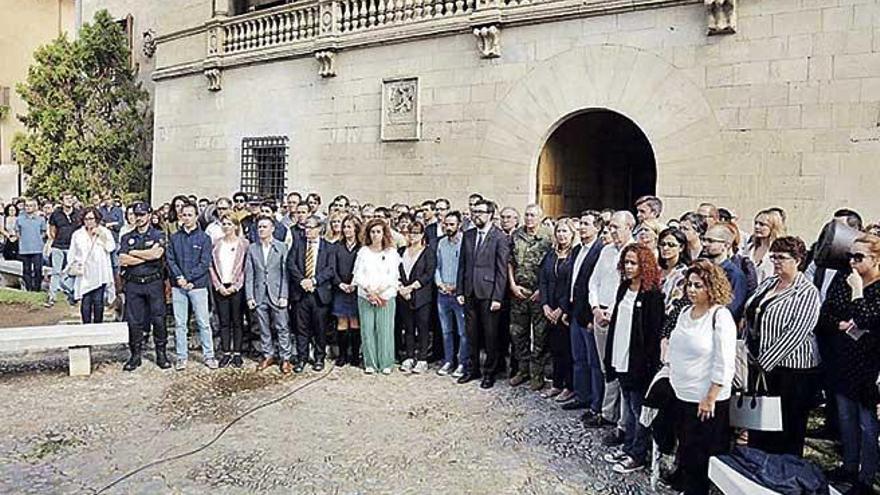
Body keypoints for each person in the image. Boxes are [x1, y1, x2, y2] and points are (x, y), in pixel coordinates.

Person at [743, 236, 821, 457]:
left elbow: (797, 332)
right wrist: (748, 350)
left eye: (782, 258)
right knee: (760, 419)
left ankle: (784, 469)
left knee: (787, 423)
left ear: (797, 260)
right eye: (774, 257)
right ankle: (758, 460)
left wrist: (765, 363)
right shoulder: (769, 282)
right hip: (758, 364)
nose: (776, 261)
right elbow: (752, 313)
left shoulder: (807, 292)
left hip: (791, 370)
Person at [665, 259, 737, 495]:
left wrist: (711, 396)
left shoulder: (720, 316)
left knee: (701, 456)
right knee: (685, 450)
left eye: (699, 286)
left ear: (712, 287)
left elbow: (724, 361)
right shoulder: (685, 312)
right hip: (682, 392)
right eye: (690, 285)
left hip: (706, 399)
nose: (692, 290)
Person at [819, 234, 880, 494]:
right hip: (844, 360)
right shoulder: (844, 280)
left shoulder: (869, 286)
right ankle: (849, 465)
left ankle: (866, 478)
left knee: (868, 425)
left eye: (859, 257)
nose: (852, 262)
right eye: (850, 256)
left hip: (870, 365)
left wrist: (857, 290)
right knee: (846, 419)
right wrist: (840, 324)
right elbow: (827, 314)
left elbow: (868, 319)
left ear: (876, 259)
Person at [602, 244, 664, 473]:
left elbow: (652, 334)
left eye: (633, 263)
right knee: (627, 406)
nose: (628, 267)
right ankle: (628, 446)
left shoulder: (652, 295)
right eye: (626, 262)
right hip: (620, 355)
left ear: (644, 265)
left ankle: (638, 454)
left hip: (638, 363)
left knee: (639, 410)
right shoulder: (624, 288)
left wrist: (648, 366)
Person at [584, 211, 636, 448]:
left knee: (620, 369)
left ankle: (623, 424)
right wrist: (595, 307)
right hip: (600, 313)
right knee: (606, 368)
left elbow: (630, 287)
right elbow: (593, 282)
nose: (612, 231)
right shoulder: (606, 251)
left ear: (629, 227)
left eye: (616, 227)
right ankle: (607, 413)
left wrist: (612, 312)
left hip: (621, 317)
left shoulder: (636, 254)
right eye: (610, 227)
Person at [456, 199, 510, 389]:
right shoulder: (468, 235)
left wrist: (498, 297)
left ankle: (490, 372)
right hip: (470, 291)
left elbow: (502, 270)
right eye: (474, 211)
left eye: (480, 212)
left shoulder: (499, 237)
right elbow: (462, 265)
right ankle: (472, 370)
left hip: (489, 293)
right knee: (471, 334)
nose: (476, 215)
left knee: (490, 336)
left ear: (490, 214)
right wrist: (460, 290)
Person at [119, 202, 170, 371]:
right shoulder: (127, 237)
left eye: (142, 215)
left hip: (153, 282)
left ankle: (161, 353)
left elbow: (157, 254)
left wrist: (134, 252)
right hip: (134, 283)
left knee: (158, 318)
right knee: (134, 321)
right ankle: (135, 355)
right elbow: (123, 260)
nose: (139, 218)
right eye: (136, 215)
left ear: (149, 215)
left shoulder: (158, 234)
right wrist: (146, 256)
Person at [508, 204, 554, 391]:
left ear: (541, 218)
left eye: (533, 215)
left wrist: (542, 292)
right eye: (526, 215)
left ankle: (537, 374)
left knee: (540, 336)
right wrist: (512, 285)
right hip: (518, 292)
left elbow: (551, 267)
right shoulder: (516, 235)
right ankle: (523, 370)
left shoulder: (549, 237)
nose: (529, 218)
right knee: (518, 334)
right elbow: (510, 262)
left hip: (538, 294)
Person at [166, 202, 217, 370]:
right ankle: (182, 356)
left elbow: (204, 263)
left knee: (203, 322)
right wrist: (179, 277)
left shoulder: (204, 238)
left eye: (190, 215)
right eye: (184, 215)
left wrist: (189, 279)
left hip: (198, 286)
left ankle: (209, 355)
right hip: (178, 286)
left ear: (196, 216)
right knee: (180, 324)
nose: (186, 218)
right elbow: (170, 260)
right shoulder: (174, 238)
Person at [567, 210, 605, 413]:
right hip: (575, 312)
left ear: (597, 227)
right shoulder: (576, 250)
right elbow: (573, 282)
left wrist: (592, 317)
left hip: (589, 316)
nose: (581, 227)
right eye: (580, 223)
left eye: (586, 224)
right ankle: (581, 395)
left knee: (594, 363)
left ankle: (595, 404)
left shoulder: (601, 251)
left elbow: (597, 286)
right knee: (579, 358)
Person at [352, 218, 400, 375]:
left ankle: (386, 362)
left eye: (378, 231)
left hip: (385, 295)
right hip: (366, 295)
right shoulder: (363, 252)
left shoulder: (391, 253)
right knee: (367, 330)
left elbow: (393, 275)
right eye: (372, 232)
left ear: (384, 233)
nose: (375, 235)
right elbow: (357, 274)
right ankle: (370, 362)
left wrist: (379, 292)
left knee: (385, 330)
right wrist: (369, 291)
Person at [288, 215, 336, 373]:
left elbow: (330, 269)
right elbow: (291, 264)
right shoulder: (298, 244)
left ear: (319, 229)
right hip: (300, 293)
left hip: (319, 293)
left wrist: (314, 281)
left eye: (311, 227)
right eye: (305, 227)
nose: (307, 230)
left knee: (320, 328)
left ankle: (319, 358)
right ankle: (302, 358)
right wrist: (302, 281)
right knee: (301, 328)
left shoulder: (328, 247)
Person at [245, 215, 292, 373]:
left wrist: (284, 295)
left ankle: (285, 358)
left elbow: (285, 273)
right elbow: (249, 274)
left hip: (277, 293)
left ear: (272, 229)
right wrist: (250, 296)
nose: (261, 230)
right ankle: (268, 355)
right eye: (259, 227)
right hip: (259, 294)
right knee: (263, 327)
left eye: (265, 227)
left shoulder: (281, 247)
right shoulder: (252, 248)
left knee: (282, 327)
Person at [538, 218, 577, 402]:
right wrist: (545, 304)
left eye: (565, 232)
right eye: (559, 231)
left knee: (567, 350)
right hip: (549, 307)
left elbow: (571, 284)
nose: (561, 235)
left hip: (564, 311)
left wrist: (561, 309)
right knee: (554, 349)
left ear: (572, 234)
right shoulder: (550, 254)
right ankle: (556, 384)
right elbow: (543, 280)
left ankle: (569, 386)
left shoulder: (574, 255)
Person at [209, 213, 249, 368]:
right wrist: (218, 285)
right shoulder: (216, 244)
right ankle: (226, 352)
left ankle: (237, 353)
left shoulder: (244, 244)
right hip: (220, 286)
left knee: (237, 321)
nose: (226, 227)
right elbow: (210, 266)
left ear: (236, 226)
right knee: (224, 321)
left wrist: (236, 286)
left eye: (229, 224)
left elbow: (246, 267)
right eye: (223, 224)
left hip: (236, 287)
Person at [397, 220, 437, 374]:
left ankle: (422, 358)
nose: (412, 236)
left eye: (416, 233)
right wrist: (401, 288)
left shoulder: (428, 252)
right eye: (409, 233)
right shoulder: (401, 251)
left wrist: (411, 287)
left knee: (423, 327)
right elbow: (395, 271)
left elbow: (428, 273)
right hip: (403, 295)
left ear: (422, 235)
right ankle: (408, 356)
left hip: (421, 296)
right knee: (407, 328)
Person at [68, 207, 116, 323]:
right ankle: (86, 326)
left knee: (98, 301)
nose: (89, 221)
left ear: (97, 219)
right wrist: (72, 265)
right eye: (86, 219)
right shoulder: (78, 234)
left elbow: (111, 248)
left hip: (100, 271)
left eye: (91, 219)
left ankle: (98, 325)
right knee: (86, 301)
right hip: (84, 271)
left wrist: (102, 237)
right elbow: (72, 252)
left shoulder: (104, 231)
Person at [435, 211, 468, 377]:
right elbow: (437, 266)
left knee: (463, 332)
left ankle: (463, 363)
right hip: (443, 293)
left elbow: (467, 269)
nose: (448, 227)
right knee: (446, 330)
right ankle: (449, 361)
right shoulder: (441, 243)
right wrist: (440, 283)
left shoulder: (466, 242)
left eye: (451, 224)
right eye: (446, 224)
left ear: (459, 225)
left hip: (459, 293)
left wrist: (457, 286)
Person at [702, 223, 749, 323]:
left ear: (726, 245)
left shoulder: (735, 275)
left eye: (710, 241)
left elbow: (733, 309)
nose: (704, 244)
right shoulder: (703, 269)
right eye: (704, 239)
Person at [332, 214, 362, 367]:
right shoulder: (337, 247)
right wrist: (340, 284)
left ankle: (355, 355)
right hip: (340, 289)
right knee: (342, 321)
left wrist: (354, 284)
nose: (346, 230)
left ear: (356, 228)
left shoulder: (362, 248)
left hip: (357, 290)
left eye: (349, 226)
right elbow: (332, 268)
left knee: (355, 322)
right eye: (344, 227)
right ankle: (342, 355)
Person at [45, 192, 80, 307]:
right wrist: (57, 240)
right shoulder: (56, 214)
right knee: (56, 271)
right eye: (67, 198)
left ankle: (73, 294)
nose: (69, 200)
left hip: (72, 247)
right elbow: (52, 230)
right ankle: (52, 296)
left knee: (73, 272)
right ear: (62, 201)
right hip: (58, 246)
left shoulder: (78, 213)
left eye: (71, 198)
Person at [744, 209, 787, 284]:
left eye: (762, 224)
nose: (757, 227)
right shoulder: (749, 248)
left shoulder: (779, 251)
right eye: (756, 223)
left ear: (773, 227)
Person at [15, 199, 47, 292]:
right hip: (24, 248)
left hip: (37, 248)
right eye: (27, 206)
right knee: (26, 270)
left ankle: (37, 289)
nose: (28, 208)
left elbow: (44, 232)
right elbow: (17, 231)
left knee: (38, 270)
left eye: (30, 206)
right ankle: (29, 288)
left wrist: (38, 239)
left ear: (35, 207)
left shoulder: (40, 219)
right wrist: (22, 240)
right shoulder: (19, 219)